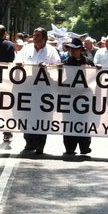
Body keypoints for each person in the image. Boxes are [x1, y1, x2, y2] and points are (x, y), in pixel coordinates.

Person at [19, 27, 61, 155]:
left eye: (37, 35)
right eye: (34, 34)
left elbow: (58, 66)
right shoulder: (26, 49)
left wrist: (47, 67)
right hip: (28, 88)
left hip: (44, 90)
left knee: (43, 117)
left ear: (44, 38)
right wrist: (19, 64)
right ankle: (29, 142)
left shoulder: (52, 51)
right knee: (27, 116)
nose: (34, 37)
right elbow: (17, 60)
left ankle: (40, 145)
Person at [61, 37, 93, 156]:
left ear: (81, 50)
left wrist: (97, 68)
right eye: (71, 49)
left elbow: (95, 76)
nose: (72, 51)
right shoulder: (66, 62)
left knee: (83, 122)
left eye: (75, 49)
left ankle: (84, 147)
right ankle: (69, 147)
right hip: (69, 97)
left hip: (84, 98)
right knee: (69, 121)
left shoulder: (89, 62)